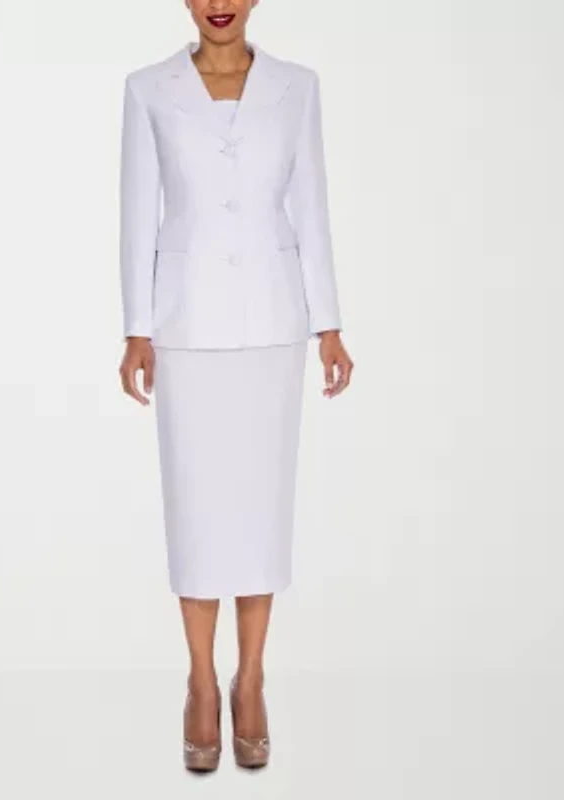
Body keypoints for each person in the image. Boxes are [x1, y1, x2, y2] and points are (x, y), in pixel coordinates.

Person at [117, 0, 353, 771]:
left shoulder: (297, 86)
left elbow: (311, 205)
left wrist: (328, 323)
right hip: (185, 324)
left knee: (259, 508)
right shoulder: (148, 89)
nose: (219, 4)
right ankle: (199, 679)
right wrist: (136, 327)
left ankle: (250, 680)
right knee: (195, 507)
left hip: (272, 321)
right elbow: (137, 213)